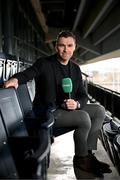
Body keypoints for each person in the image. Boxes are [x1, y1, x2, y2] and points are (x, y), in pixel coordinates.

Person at [4, 30, 111, 177]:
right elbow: (29, 73)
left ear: (74, 47)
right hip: (48, 112)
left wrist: (77, 104)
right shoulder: (44, 63)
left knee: (99, 110)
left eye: (69, 45)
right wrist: (16, 79)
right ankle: (81, 159)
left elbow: (83, 95)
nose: (65, 49)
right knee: (83, 118)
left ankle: (89, 154)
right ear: (56, 47)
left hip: (67, 109)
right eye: (61, 45)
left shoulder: (75, 69)